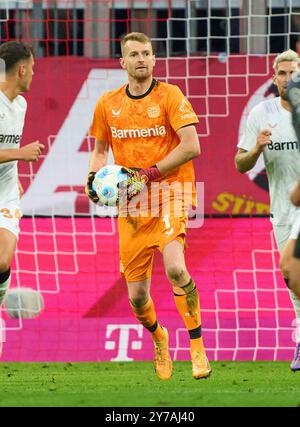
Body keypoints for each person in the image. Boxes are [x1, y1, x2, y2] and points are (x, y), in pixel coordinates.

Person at [86, 32, 211, 380]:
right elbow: (99, 150)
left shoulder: (170, 95)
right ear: (122, 63)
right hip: (132, 203)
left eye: (146, 53)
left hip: (171, 191)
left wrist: (150, 173)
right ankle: (159, 338)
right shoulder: (107, 103)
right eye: (133, 54)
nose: (141, 59)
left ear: (154, 60)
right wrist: (92, 181)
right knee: (138, 297)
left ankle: (197, 346)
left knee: (175, 267)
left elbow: (192, 146)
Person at [235, 49, 300, 372]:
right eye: (283, 73)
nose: (289, 78)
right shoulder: (262, 113)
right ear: (274, 78)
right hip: (281, 209)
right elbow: (239, 163)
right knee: (291, 277)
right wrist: (257, 148)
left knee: (292, 265)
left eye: (294, 72)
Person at [0, 41, 44, 357]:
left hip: (5, 196)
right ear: (22, 68)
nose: (34, 75)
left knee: (2, 260)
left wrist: (15, 179)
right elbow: (14, 152)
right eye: (33, 68)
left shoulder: (21, 105)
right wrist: (21, 153)